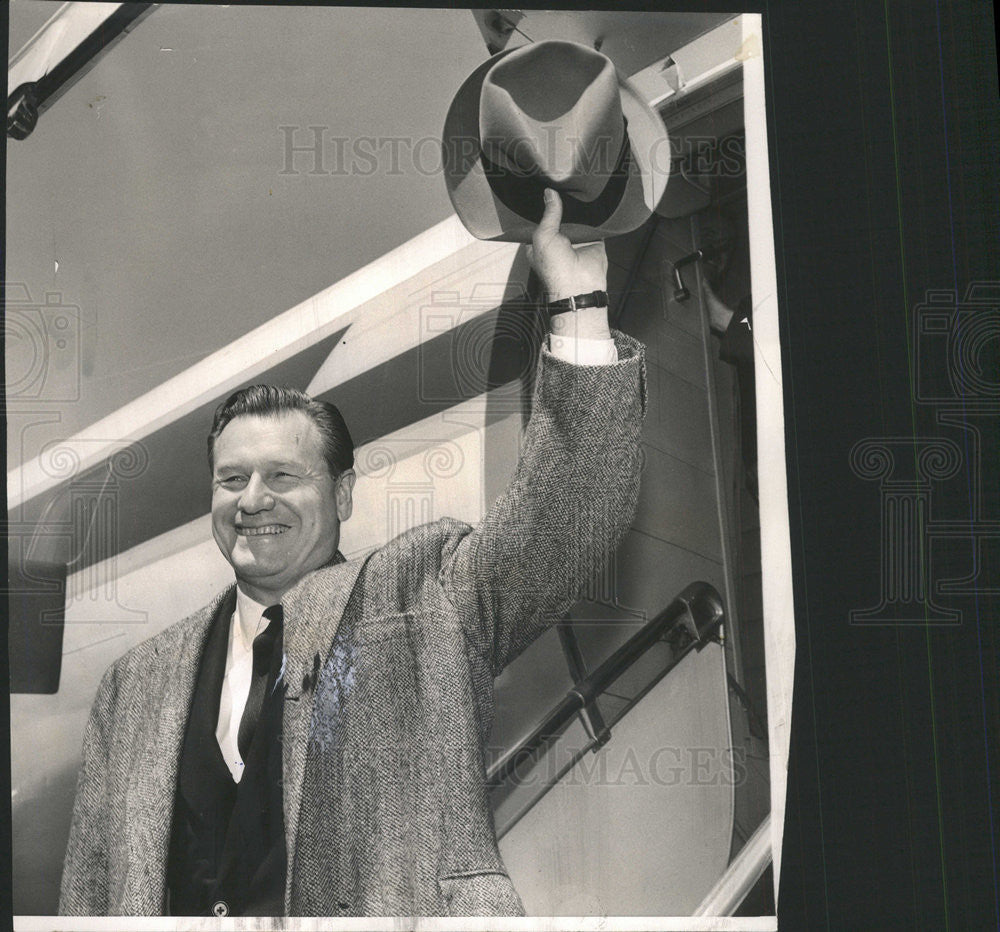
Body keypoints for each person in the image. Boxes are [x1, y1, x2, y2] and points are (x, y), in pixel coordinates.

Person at [58, 189, 648, 917]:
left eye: (282, 477)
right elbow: (87, 897)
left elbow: (572, 518)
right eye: (232, 479)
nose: (251, 501)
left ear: (341, 495)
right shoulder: (132, 687)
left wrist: (577, 300)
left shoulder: (427, 597)